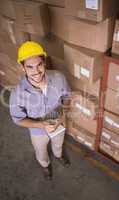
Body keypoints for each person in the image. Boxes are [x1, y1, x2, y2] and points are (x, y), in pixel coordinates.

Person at [9, 41, 71, 180]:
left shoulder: (58, 78)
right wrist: (41, 125)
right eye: (30, 67)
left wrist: (63, 114)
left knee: (58, 144)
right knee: (41, 151)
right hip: (37, 130)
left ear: (44, 63)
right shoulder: (18, 93)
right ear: (22, 68)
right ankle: (45, 165)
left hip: (58, 122)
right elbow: (18, 119)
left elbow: (67, 96)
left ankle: (58, 156)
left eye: (39, 65)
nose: (36, 71)